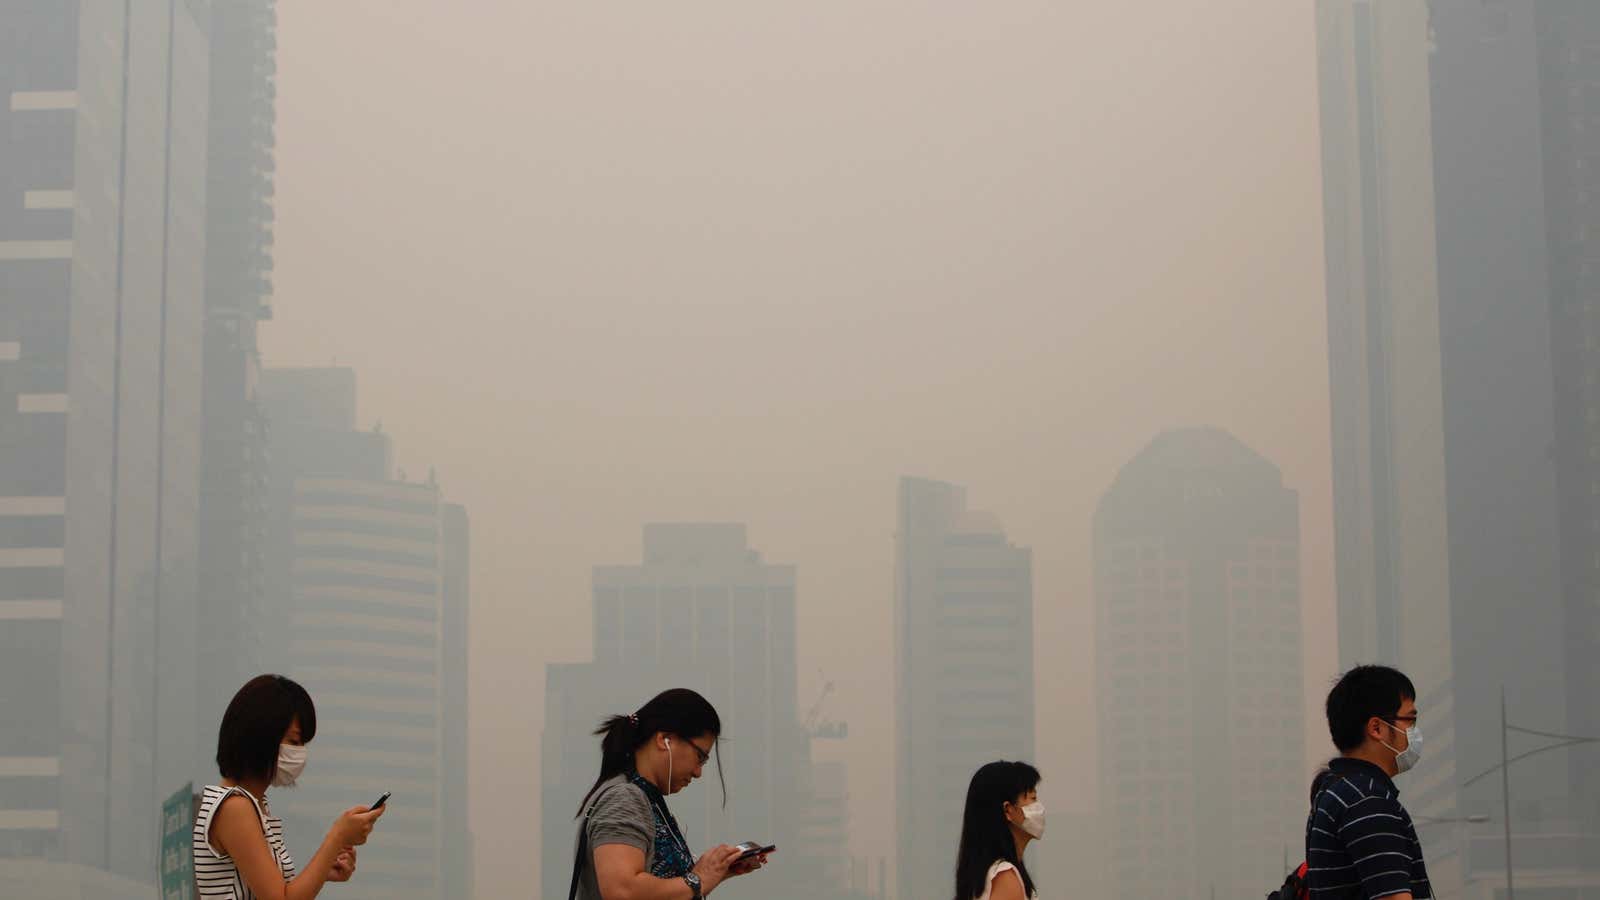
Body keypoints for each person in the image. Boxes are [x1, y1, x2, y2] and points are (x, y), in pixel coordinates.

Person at [194, 674, 387, 900]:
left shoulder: (251, 805)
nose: (299, 753)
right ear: (261, 736)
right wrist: (338, 836)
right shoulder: (234, 807)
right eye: (294, 742)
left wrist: (325, 867)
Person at [569, 688, 770, 900]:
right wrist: (698, 879)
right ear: (664, 739)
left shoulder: (643, 797)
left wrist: (716, 872)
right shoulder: (624, 799)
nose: (698, 772)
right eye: (700, 756)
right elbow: (622, 891)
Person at [1305, 665, 1432, 899]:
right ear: (1377, 728)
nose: (1415, 732)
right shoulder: (1366, 800)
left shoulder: (1337, 790)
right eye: (1410, 720)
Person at [952, 760, 1044, 900]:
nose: (1039, 808)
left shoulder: (985, 873)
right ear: (1008, 809)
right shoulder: (1004, 876)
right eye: (1033, 798)